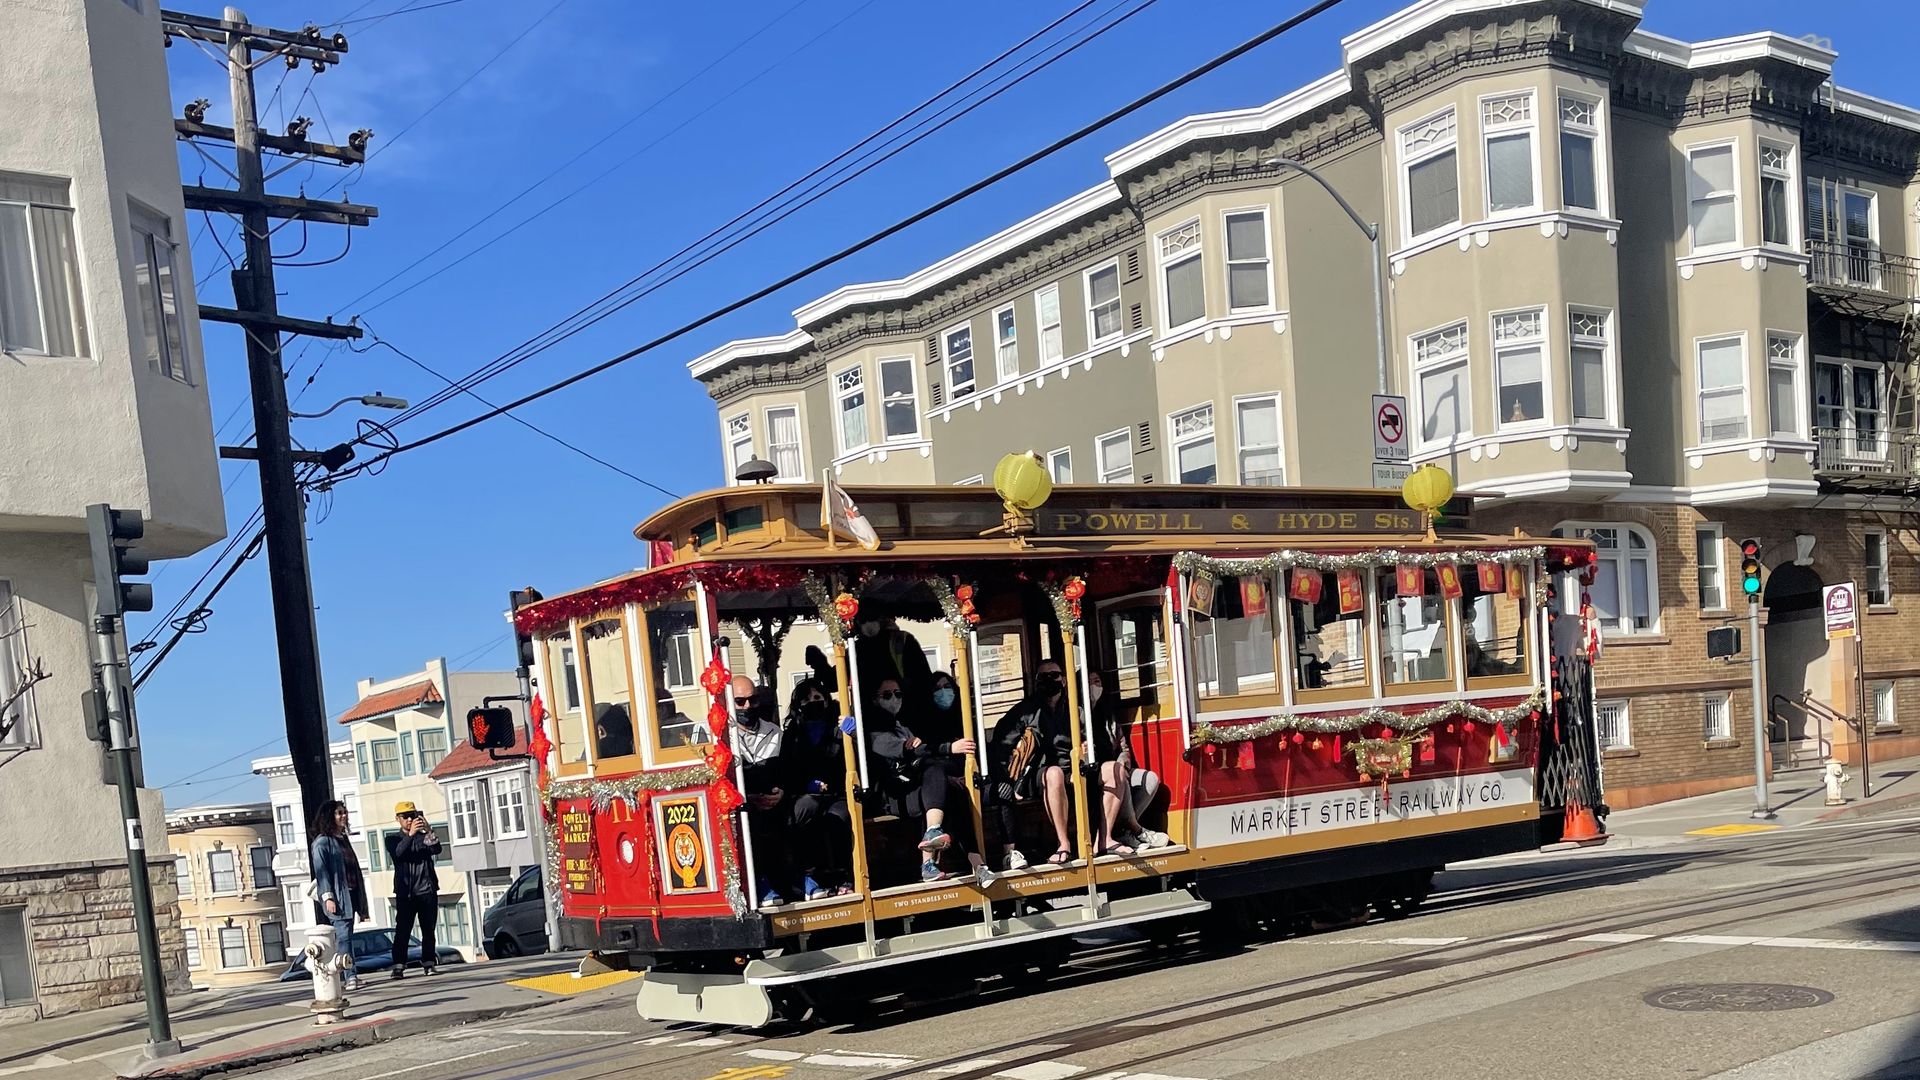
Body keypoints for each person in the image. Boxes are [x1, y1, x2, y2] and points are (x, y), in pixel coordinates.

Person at [866, 676, 980, 883]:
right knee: (935, 770)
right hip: (893, 797)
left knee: (951, 789)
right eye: (887, 695)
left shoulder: (901, 726)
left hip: (913, 789)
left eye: (898, 694)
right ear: (874, 700)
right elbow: (905, 751)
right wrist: (948, 748)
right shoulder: (874, 731)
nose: (894, 699)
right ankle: (934, 840)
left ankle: (972, 862)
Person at [990, 660, 1082, 868]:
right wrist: (1006, 779)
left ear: (1064, 680)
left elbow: (1090, 740)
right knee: (1054, 774)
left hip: (1073, 769)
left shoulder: (1076, 711)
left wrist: (1081, 763)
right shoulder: (1024, 712)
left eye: (1054, 675)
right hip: (1035, 775)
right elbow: (1001, 746)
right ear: (1036, 682)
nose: (1050, 680)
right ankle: (1063, 843)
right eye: (1043, 677)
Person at [779, 678, 853, 899]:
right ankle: (810, 878)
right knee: (802, 814)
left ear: (827, 701)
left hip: (837, 793)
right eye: (807, 699)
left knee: (838, 818)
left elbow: (855, 759)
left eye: (818, 698)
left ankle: (844, 877)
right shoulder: (793, 732)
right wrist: (807, 784)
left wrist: (854, 735)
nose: (813, 702)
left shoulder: (838, 728)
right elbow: (787, 769)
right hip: (806, 794)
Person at [1086, 670, 1169, 852]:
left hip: (1117, 769)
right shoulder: (1078, 715)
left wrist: (1124, 762)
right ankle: (1135, 828)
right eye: (1090, 682)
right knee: (1117, 774)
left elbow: (1123, 748)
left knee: (1150, 778)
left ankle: (1123, 831)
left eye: (1097, 681)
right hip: (1094, 774)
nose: (1095, 686)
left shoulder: (1108, 714)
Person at [731, 675, 790, 905]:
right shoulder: (717, 734)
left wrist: (781, 792)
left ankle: (798, 878)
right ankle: (759, 883)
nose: (747, 706)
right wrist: (748, 797)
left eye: (753, 700)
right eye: (740, 701)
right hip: (742, 803)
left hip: (774, 801)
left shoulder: (775, 732)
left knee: (801, 811)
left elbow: (788, 770)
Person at [309, 799, 366, 991]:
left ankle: (352, 974)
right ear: (329, 817)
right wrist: (328, 897)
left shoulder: (342, 839)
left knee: (348, 936)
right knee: (343, 938)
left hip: (350, 895)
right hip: (338, 897)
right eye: (339, 813)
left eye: (345, 812)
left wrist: (361, 905)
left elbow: (353, 871)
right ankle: (349, 976)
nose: (344, 816)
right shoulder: (322, 842)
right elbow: (322, 872)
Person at [384, 801, 442, 978]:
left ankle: (429, 963)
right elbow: (399, 853)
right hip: (406, 892)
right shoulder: (393, 839)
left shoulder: (423, 836)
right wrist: (410, 835)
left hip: (426, 889)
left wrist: (428, 830)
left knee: (428, 929)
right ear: (398, 819)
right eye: (405, 817)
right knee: (403, 929)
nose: (409, 819)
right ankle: (399, 965)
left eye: (412, 815)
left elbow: (436, 849)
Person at [854, 615, 934, 712]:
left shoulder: (901, 640)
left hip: (906, 710)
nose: (867, 622)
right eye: (863, 618)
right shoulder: (856, 648)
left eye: (871, 616)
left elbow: (922, 678)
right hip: (869, 713)